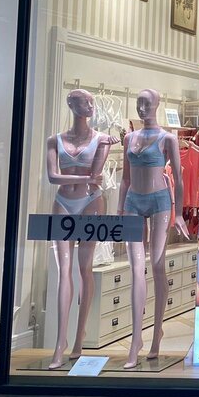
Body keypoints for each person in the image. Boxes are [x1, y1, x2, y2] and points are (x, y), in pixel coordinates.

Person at [45, 89, 115, 369]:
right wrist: (86, 177)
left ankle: (79, 337)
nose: (90, 105)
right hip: (63, 202)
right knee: (64, 272)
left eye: (91, 101)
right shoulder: (55, 140)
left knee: (85, 269)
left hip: (91, 202)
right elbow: (52, 177)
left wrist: (87, 178)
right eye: (84, 101)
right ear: (70, 104)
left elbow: (97, 176)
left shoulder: (102, 139)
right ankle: (60, 342)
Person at [119, 89, 189, 369]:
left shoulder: (167, 138)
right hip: (132, 202)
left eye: (147, 103)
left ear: (157, 105)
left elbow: (179, 178)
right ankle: (136, 340)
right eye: (139, 103)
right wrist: (119, 209)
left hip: (159, 201)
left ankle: (157, 331)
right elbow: (125, 178)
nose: (142, 108)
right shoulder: (129, 138)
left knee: (157, 265)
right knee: (136, 269)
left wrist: (180, 213)